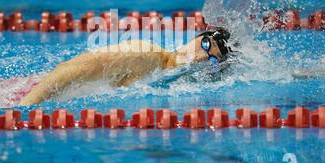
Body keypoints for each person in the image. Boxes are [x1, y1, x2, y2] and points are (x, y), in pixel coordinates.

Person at [20, 27, 232, 106]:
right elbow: (66, 70)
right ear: (197, 37)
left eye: (211, 60)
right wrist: (25, 108)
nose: (199, 58)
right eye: (205, 45)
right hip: (26, 95)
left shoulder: (171, 84)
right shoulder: (143, 55)